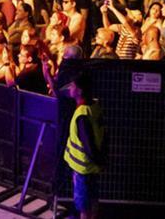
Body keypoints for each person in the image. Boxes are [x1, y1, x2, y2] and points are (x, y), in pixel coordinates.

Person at [62, 72, 104, 219]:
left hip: (83, 168)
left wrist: (97, 160)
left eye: (72, 86)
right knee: (93, 199)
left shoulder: (81, 115)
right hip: (92, 167)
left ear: (79, 90)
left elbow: (88, 143)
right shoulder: (94, 106)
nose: (70, 89)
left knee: (83, 205)